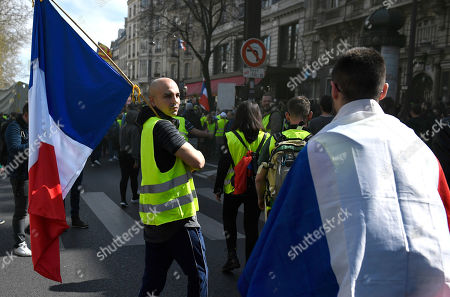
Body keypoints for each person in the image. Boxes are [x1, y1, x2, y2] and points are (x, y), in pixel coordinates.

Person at [238, 47, 450, 297]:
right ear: (383, 91)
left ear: (334, 89)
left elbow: (287, 239)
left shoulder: (321, 150)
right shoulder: (421, 149)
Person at [136, 78, 208, 297]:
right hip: (178, 218)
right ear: (152, 101)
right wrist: (199, 155)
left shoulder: (148, 126)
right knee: (198, 276)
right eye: (168, 96)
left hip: (156, 220)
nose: (175, 100)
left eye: (178, 95)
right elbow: (198, 162)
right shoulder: (163, 126)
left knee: (152, 283)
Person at [214, 101, 268, 273]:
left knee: (229, 221)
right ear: (258, 116)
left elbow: (223, 164)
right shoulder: (266, 137)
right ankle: (251, 264)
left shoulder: (230, 136)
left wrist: (218, 187)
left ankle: (232, 256)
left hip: (234, 187)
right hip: (256, 188)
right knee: (252, 225)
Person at [255, 96, 312, 218]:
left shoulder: (273, 140)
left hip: (276, 204)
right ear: (310, 115)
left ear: (287, 116)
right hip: (305, 206)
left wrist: (260, 199)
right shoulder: (315, 141)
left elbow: (259, 177)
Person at [5, 103, 31, 257]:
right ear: (27, 114)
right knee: (21, 211)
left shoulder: (29, 126)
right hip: (19, 175)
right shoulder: (14, 127)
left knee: (28, 208)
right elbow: (14, 149)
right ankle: (19, 244)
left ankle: (27, 231)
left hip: (30, 173)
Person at [119, 105, 141, 207]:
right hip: (132, 156)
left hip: (122, 155)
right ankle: (134, 197)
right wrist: (136, 160)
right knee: (133, 178)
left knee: (124, 178)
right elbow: (135, 145)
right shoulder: (135, 129)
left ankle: (123, 199)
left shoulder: (123, 127)